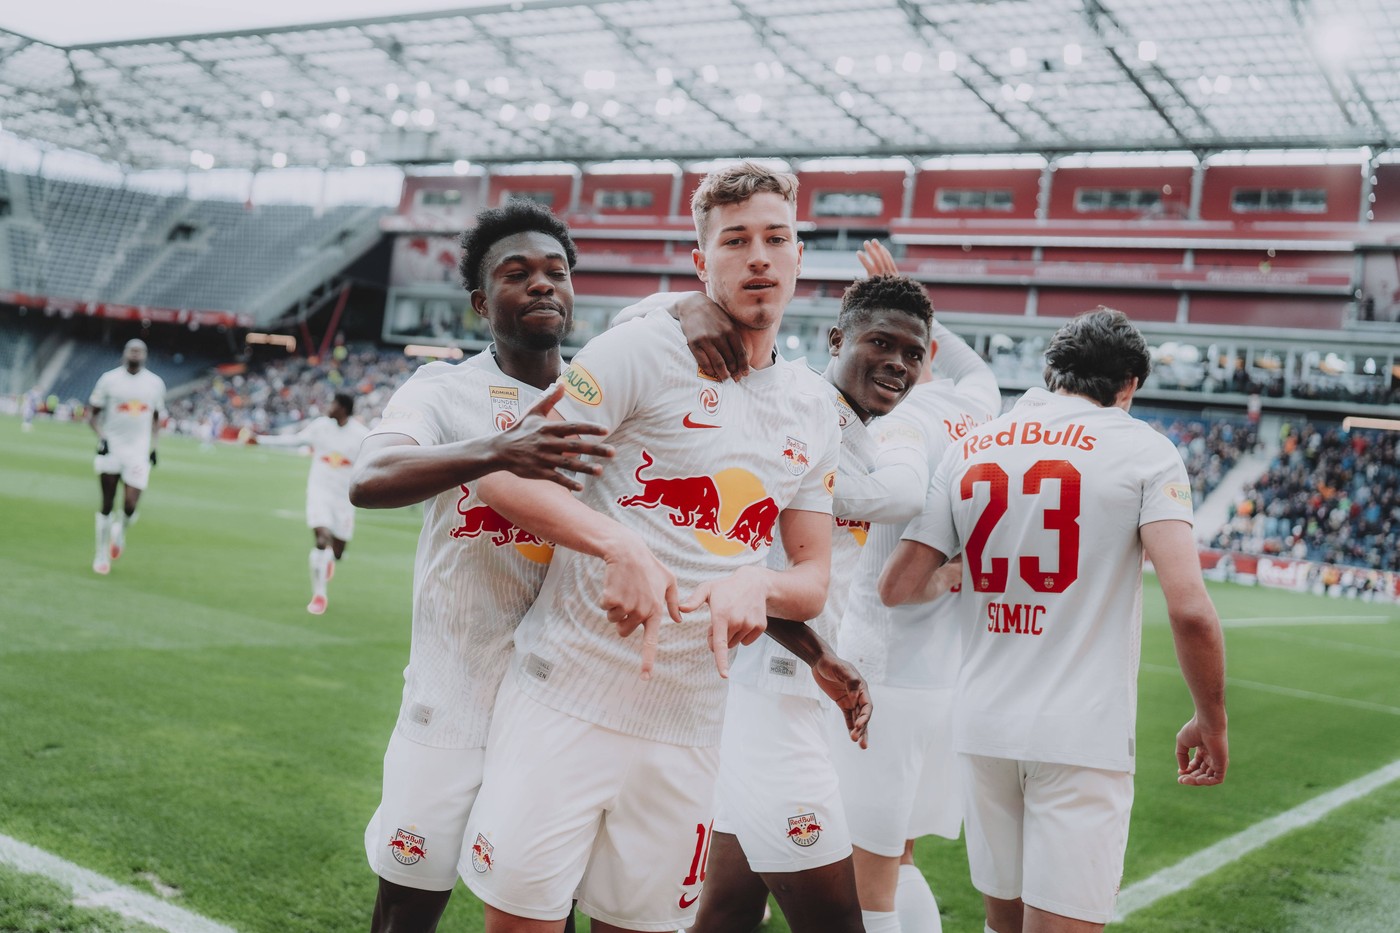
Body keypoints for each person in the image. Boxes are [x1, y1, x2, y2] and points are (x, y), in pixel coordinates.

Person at [460, 161, 841, 933]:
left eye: (777, 238)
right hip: (565, 696)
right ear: (702, 264)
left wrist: (757, 587)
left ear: (800, 254)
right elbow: (505, 476)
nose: (759, 256)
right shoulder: (642, 351)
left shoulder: (813, 409)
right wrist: (615, 544)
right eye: (735, 241)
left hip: (691, 723)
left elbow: (811, 578)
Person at [879, 307, 1229, 933]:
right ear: (1128, 385)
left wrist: (962, 574)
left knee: (1002, 926)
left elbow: (897, 586)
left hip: (982, 724)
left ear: (1052, 372)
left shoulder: (973, 444)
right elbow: (1191, 609)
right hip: (1080, 734)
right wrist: (1212, 718)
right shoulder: (1146, 450)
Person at [349, 200, 614, 933]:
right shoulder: (444, 390)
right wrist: (496, 449)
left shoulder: (603, 399)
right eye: (516, 272)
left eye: (556, 271)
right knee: (408, 904)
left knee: (544, 909)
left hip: (559, 707)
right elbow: (368, 477)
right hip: (452, 697)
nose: (541, 285)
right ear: (478, 301)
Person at [691, 271, 934, 933]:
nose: (897, 363)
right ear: (837, 337)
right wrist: (821, 656)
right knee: (837, 920)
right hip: (765, 695)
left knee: (729, 910)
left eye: (914, 353)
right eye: (881, 342)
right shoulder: (800, 410)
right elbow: (738, 562)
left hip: (773, 690)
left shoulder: (850, 431)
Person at [829, 242, 1002, 933]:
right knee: (896, 856)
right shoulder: (979, 408)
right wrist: (907, 293)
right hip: (946, 677)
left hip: (883, 673)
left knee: (866, 871)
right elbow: (974, 366)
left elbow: (901, 584)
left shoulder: (898, 423)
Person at [252, 392, 371, 614]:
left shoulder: (361, 435)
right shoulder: (320, 427)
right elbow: (294, 439)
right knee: (321, 537)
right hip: (319, 492)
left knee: (337, 551)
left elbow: (376, 458)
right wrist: (259, 439)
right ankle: (319, 595)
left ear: (344, 409)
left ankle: (329, 560)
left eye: (334, 403)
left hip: (344, 498)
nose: (329, 406)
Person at [88, 338, 166, 575]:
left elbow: (156, 418)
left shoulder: (154, 384)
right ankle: (101, 554)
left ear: (145, 355)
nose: (135, 354)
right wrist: (102, 437)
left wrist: (154, 446)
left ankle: (120, 530)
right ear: (124, 354)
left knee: (131, 504)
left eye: (140, 350)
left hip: (138, 452)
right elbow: (93, 416)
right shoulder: (109, 380)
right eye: (132, 350)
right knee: (107, 503)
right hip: (112, 448)